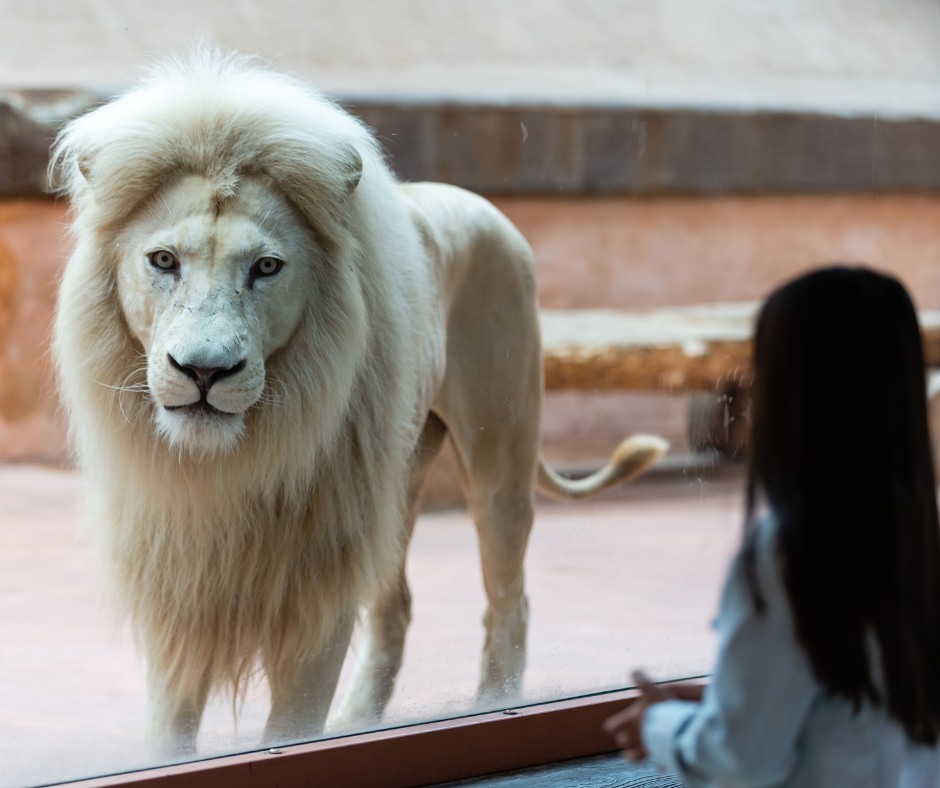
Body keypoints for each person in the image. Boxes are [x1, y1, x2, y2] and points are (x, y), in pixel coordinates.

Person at [604, 267, 940, 787]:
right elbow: (852, 709)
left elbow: (742, 761)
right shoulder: (916, 536)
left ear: (791, 396)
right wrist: (723, 702)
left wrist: (659, 725)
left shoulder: (791, 554)